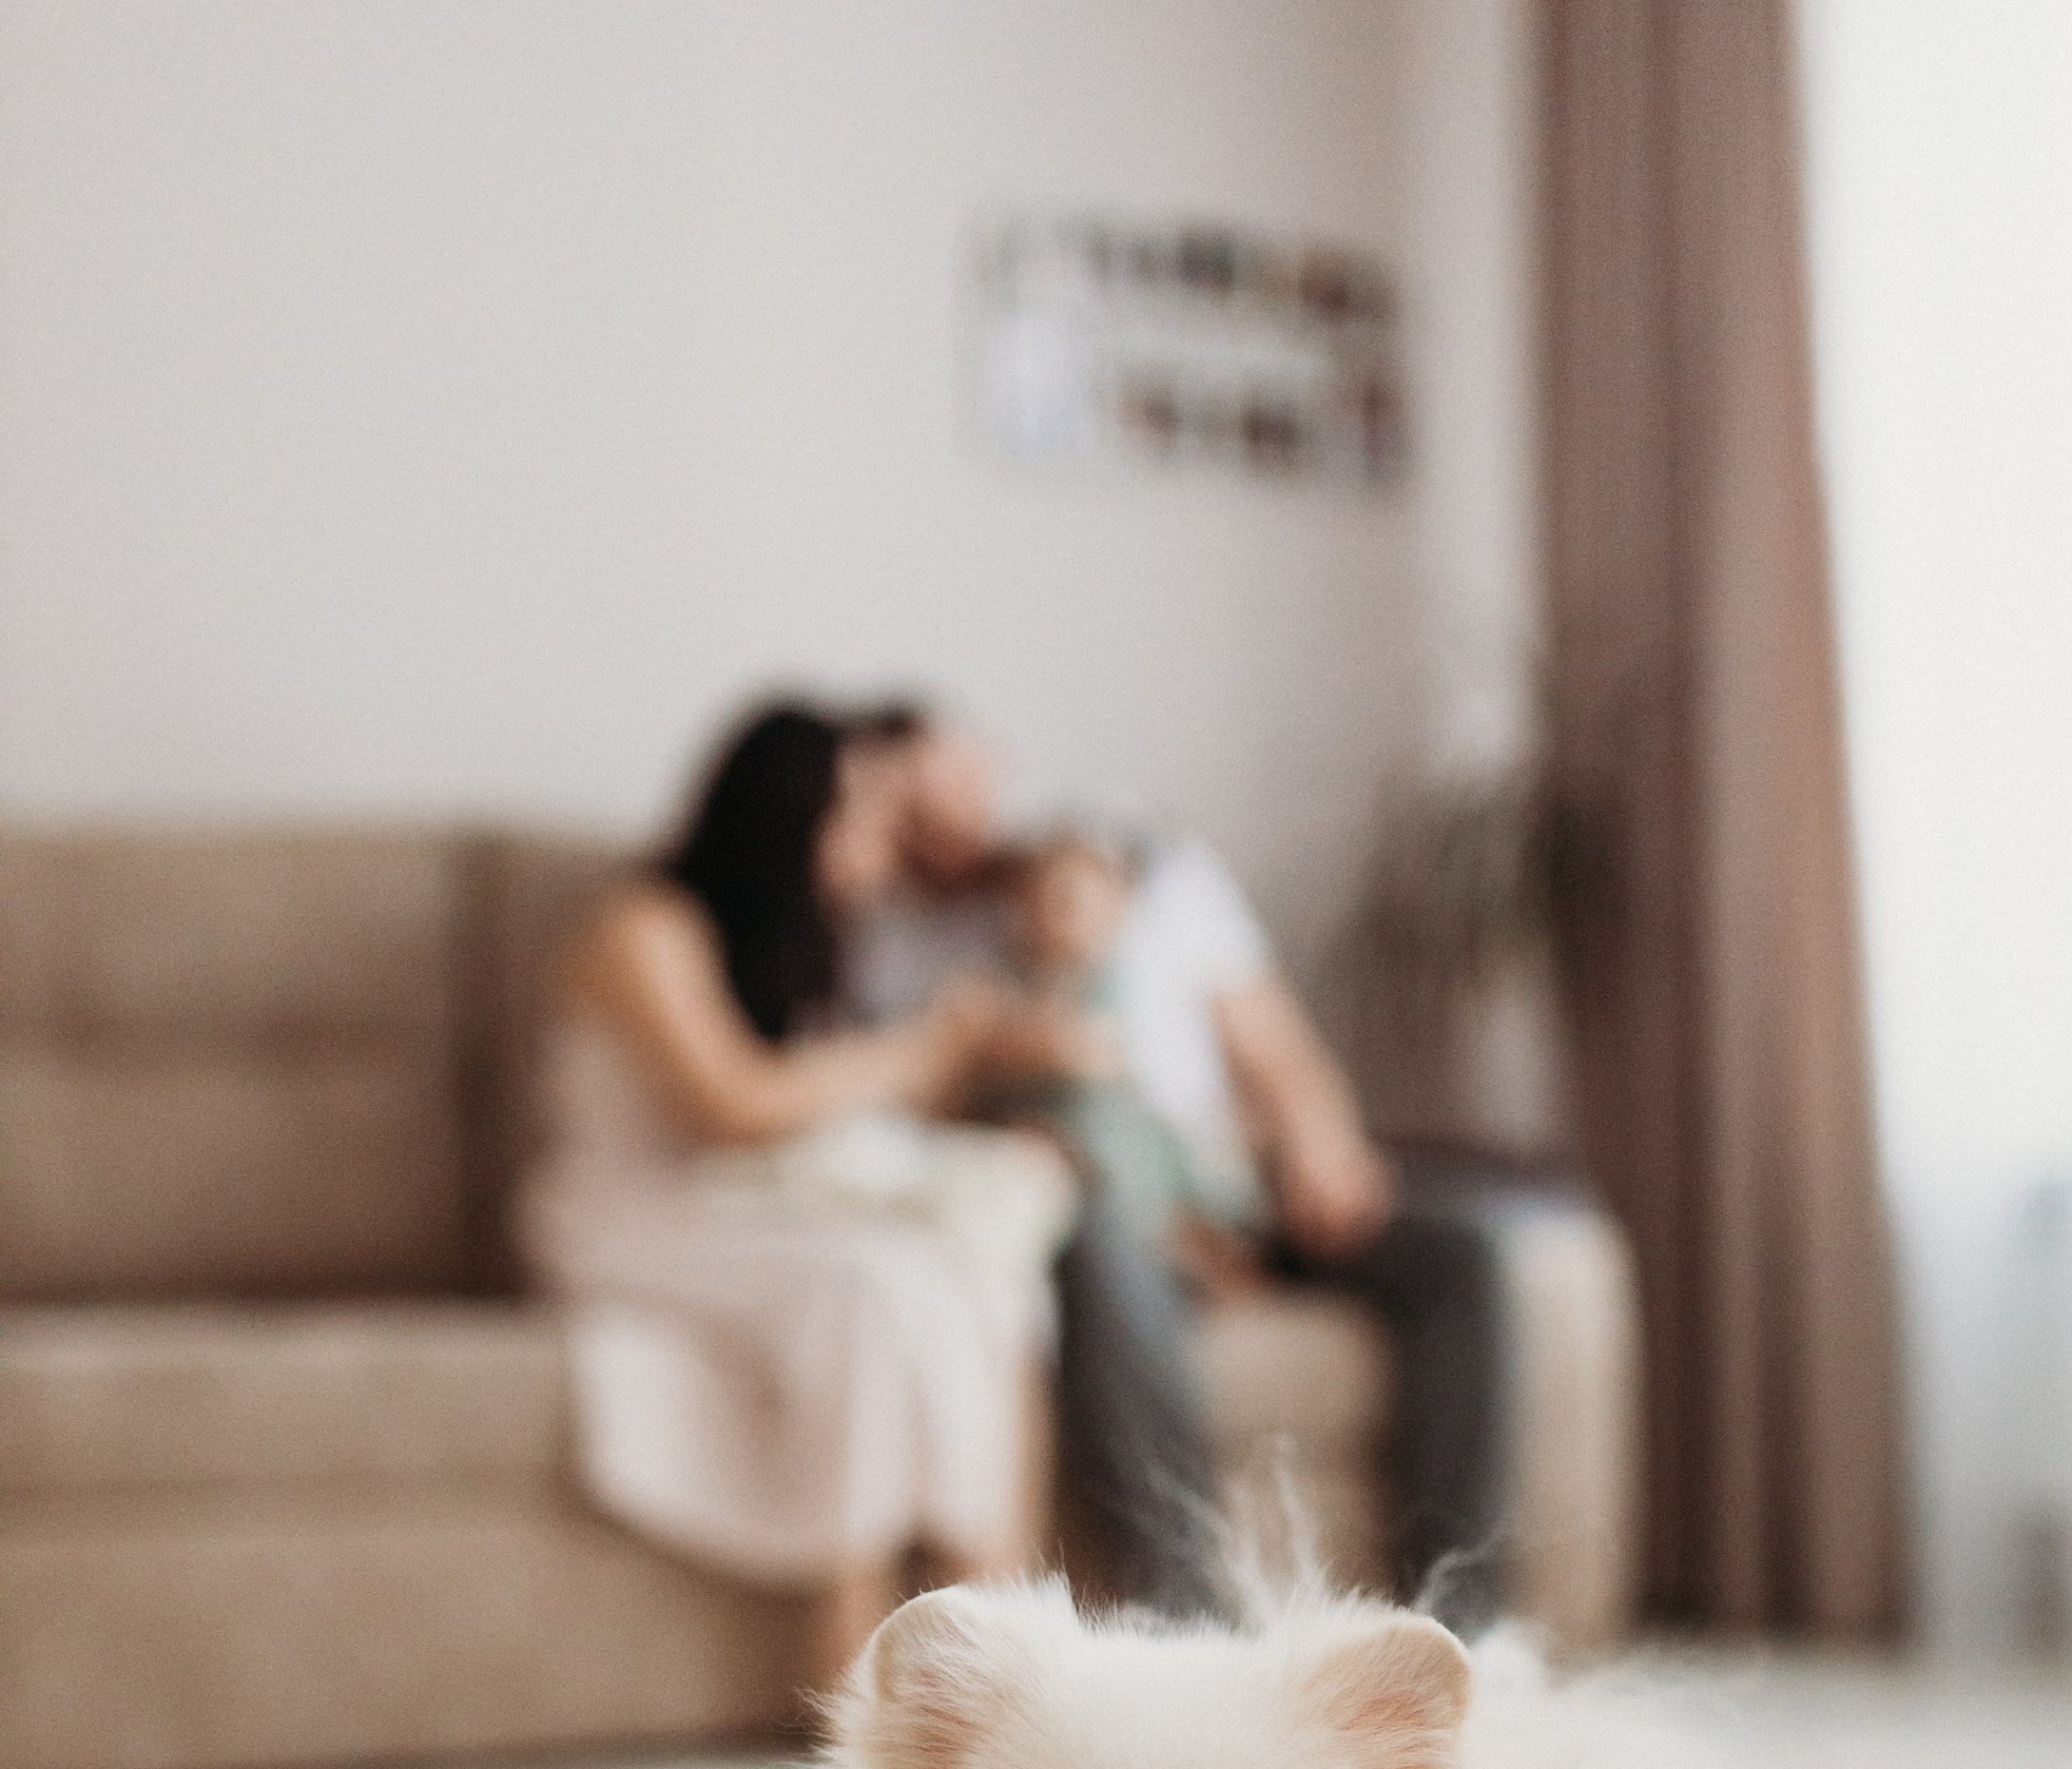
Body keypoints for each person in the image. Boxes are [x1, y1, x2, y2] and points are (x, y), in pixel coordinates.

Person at [845, 719, 1511, 1628]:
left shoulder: (1136, 866)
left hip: (1233, 1181)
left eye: (961, 785)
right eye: (918, 810)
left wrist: (1321, 1144)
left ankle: (1460, 1619)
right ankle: (1185, 1604)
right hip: (1109, 1217)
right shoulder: (896, 949)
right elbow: (909, 1124)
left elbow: (1274, 1046)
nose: (953, 820)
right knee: (1097, 1241)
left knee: (1463, 1254)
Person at [519, 701, 1077, 1700]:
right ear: (788, 819)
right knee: (870, 1286)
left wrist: (997, 1062)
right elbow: (731, 1107)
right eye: (859, 817)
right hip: (630, 1219)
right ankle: (848, 1659)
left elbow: (842, 1110)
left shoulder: (807, 946)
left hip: (750, 1214)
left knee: (976, 1273)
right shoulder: (644, 930)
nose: (878, 846)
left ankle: (1000, 1627)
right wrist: (922, 1047)